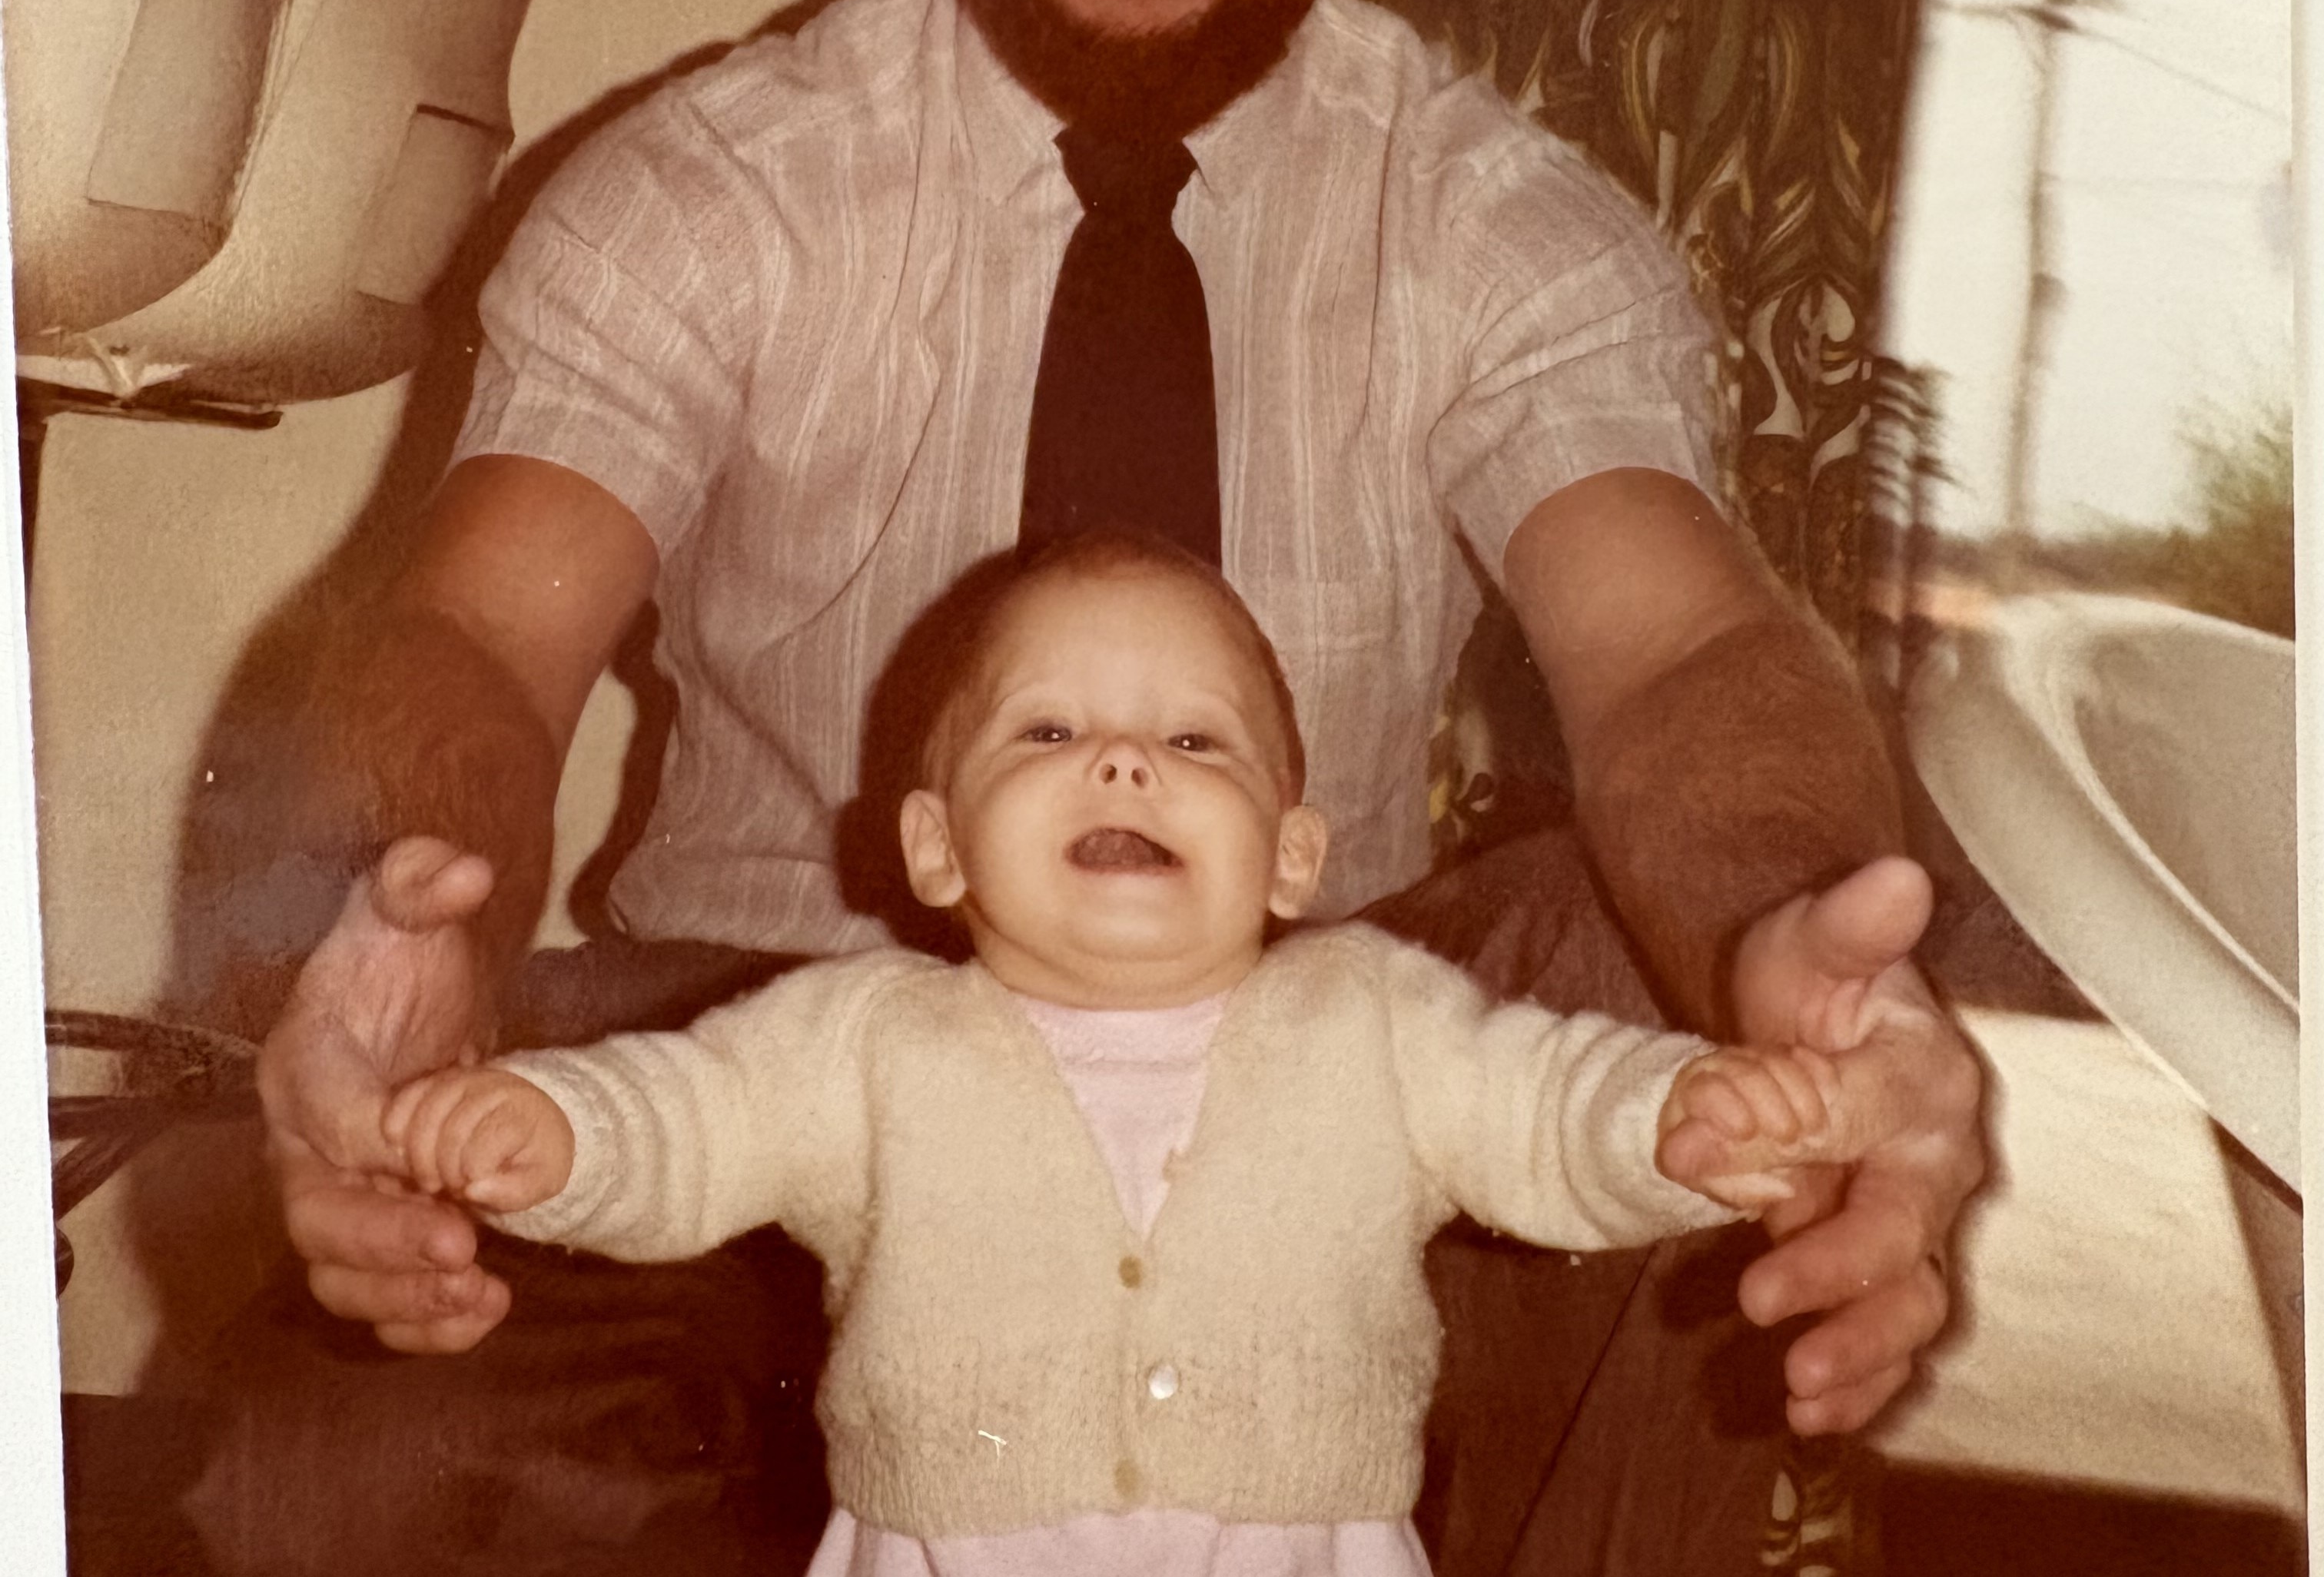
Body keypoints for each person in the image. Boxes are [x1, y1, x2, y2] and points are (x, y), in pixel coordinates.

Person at [195, 0, 1980, 1577]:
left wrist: (1793, 937)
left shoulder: (1498, 227)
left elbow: (1679, 649)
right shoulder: (708, 193)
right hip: (755, 1037)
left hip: (1334, 1069)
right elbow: (477, 629)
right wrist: (419, 912)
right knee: (340, 1462)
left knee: (1649, 977)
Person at [377, 533, 1924, 1577]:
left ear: (1293, 854)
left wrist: (1683, 1116)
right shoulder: (862, 1038)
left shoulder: (1377, 1017)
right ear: (934, 844)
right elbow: (687, 1118)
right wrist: (551, 1129)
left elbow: (1548, 1105)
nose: (1123, 759)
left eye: (1195, 741)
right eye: (1046, 733)